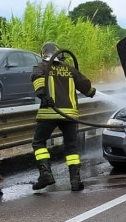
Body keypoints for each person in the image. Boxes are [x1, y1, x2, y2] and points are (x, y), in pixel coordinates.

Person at [31, 41, 97, 191]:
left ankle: (45, 174)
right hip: (70, 114)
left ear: (43, 54)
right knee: (71, 147)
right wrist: (91, 92)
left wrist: (42, 95)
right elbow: (86, 86)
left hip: (49, 112)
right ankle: (75, 181)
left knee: (39, 143)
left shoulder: (41, 67)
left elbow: (37, 79)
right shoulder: (70, 69)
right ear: (59, 54)